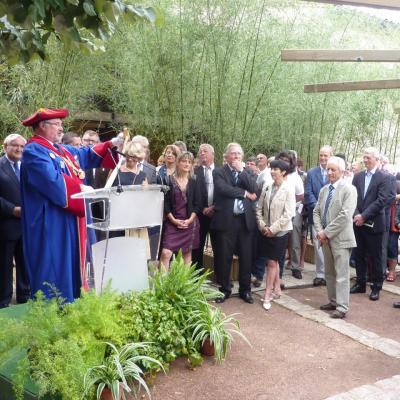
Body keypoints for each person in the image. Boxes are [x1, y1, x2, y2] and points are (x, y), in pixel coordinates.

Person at [20, 108, 121, 302]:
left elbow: (84, 154)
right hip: (50, 221)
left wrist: (111, 144)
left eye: (60, 124)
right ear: (42, 126)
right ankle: (54, 311)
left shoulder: (60, 149)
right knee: (54, 263)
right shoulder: (34, 150)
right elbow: (50, 181)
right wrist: (81, 188)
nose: (61, 128)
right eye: (56, 124)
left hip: (69, 217)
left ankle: (75, 302)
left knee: (72, 264)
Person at [211, 143, 258, 304]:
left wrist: (241, 171)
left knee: (246, 257)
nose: (236, 156)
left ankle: (245, 290)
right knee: (224, 257)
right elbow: (223, 189)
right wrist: (244, 193)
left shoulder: (248, 172)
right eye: (233, 154)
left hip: (245, 221)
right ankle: (225, 289)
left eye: (239, 154)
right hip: (226, 221)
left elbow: (254, 189)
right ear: (226, 156)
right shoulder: (219, 171)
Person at [313, 156, 357, 318]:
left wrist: (326, 232)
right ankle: (333, 301)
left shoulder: (349, 190)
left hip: (341, 239)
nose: (329, 172)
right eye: (328, 169)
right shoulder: (325, 190)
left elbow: (345, 216)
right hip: (325, 238)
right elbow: (316, 212)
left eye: (333, 169)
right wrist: (320, 231)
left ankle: (342, 307)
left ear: (342, 171)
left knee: (342, 274)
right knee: (329, 273)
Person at [351, 147, 395, 301]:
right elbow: (353, 197)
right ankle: (360, 283)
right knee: (359, 254)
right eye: (364, 157)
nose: (365, 160)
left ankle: (376, 286)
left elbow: (382, 200)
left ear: (376, 159)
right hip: (358, 222)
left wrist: (364, 215)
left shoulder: (385, 177)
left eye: (368, 157)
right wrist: (357, 214)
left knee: (376, 256)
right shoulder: (358, 176)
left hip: (375, 223)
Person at [256, 159, 295, 311]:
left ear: (283, 172)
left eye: (276, 169)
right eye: (272, 168)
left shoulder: (288, 189)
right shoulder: (266, 187)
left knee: (272, 262)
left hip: (280, 231)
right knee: (273, 261)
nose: (272, 171)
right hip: (266, 229)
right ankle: (277, 289)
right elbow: (258, 209)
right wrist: (262, 225)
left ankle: (267, 294)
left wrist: (273, 229)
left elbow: (288, 214)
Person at [0, 134, 30, 308]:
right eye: (14, 145)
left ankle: (24, 297)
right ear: (5, 146)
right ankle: (3, 301)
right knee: (4, 265)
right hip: (5, 225)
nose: (19, 149)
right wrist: (11, 209)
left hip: (26, 226)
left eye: (22, 146)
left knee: (25, 263)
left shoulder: (27, 167)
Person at [160, 151, 201, 267]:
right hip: (172, 222)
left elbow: (198, 204)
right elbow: (166, 204)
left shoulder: (194, 180)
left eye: (189, 162)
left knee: (187, 254)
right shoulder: (168, 180)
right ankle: (163, 284)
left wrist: (189, 220)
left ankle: (184, 284)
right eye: (184, 161)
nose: (187, 164)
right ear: (178, 163)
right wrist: (173, 220)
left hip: (190, 223)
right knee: (166, 253)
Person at [304, 145, 333, 285]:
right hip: (315, 215)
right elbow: (308, 192)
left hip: (332, 217)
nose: (322, 158)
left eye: (325, 155)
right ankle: (320, 274)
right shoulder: (311, 172)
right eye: (321, 155)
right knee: (318, 244)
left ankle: (330, 274)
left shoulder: (335, 172)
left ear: (331, 156)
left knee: (330, 245)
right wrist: (318, 208)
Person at [192, 144, 217, 270]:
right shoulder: (194, 172)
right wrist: (202, 208)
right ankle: (197, 276)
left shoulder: (220, 171)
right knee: (197, 246)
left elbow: (224, 192)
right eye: (200, 151)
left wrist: (214, 207)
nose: (202, 153)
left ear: (212, 154)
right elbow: (192, 194)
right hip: (199, 215)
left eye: (205, 151)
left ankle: (220, 277)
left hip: (217, 214)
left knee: (218, 246)